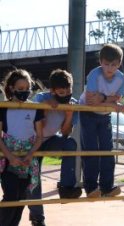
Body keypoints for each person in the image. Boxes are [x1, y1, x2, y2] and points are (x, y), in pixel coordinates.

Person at [27, 68, 81, 226]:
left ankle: (66, 187)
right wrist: (44, 109)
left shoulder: (74, 103)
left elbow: (65, 133)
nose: (66, 94)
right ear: (52, 91)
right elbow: (38, 127)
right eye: (61, 92)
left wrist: (69, 115)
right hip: (32, 141)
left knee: (70, 143)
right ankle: (38, 218)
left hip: (51, 139)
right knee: (34, 180)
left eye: (69, 90)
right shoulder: (41, 97)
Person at [79, 43, 124, 198]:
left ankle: (107, 186)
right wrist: (109, 101)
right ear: (100, 62)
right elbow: (91, 101)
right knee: (91, 150)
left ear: (119, 64)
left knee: (107, 150)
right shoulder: (94, 74)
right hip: (88, 113)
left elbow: (117, 98)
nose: (110, 68)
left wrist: (104, 99)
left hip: (104, 115)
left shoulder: (120, 78)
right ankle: (91, 187)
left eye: (114, 64)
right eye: (106, 64)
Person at [0, 69, 44, 226]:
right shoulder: (3, 107)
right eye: (20, 89)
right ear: (11, 88)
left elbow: (39, 136)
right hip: (7, 159)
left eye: (27, 89)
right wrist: (10, 157)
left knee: (21, 198)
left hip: (28, 160)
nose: (24, 92)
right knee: (11, 196)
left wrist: (30, 154)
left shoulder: (35, 108)